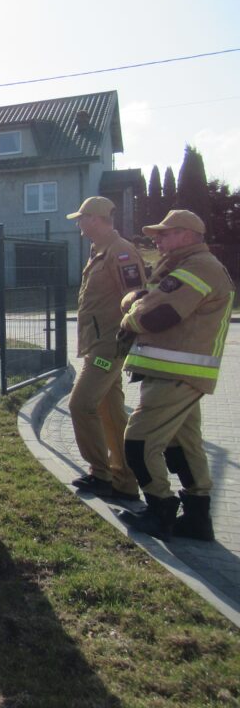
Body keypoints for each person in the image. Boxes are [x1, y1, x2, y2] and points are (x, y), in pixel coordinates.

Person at [118, 210, 235, 541]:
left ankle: (161, 510)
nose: (157, 239)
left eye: (165, 233)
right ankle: (198, 519)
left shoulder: (198, 267)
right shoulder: (186, 265)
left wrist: (128, 315)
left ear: (187, 235)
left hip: (175, 373)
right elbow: (148, 299)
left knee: (139, 442)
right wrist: (138, 301)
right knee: (183, 444)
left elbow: (157, 313)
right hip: (178, 373)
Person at [63, 197, 146, 500]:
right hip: (98, 343)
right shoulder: (99, 251)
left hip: (109, 348)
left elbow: (136, 297)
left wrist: (124, 342)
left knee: (80, 404)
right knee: (109, 412)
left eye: (81, 218)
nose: (78, 224)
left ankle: (100, 474)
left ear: (96, 219)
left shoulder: (121, 252)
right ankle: (125, 482)